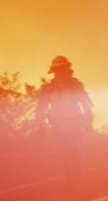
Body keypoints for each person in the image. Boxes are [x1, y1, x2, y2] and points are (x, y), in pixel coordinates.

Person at [36, 56, 94, 186]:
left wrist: (88, 122)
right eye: (58, 71)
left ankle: (75, 180)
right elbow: (41, 108)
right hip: (58, 126)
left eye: (62, 71)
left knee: (73, 151)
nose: (60, 74)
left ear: (67, 71)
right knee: (65, 153)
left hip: (75, 125)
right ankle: (71, 180)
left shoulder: (75, 85)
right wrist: (40, 126)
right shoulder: (49, 88)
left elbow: (87, 105)